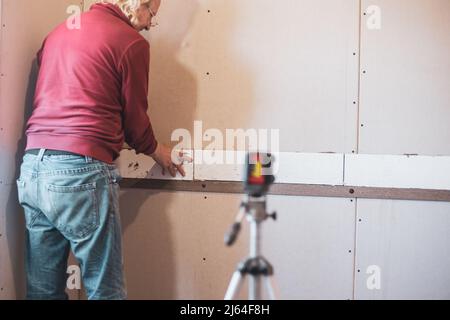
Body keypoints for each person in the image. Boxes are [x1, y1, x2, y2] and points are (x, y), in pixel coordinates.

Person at [16, 0, 182, 300]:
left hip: (33, 169)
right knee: (105, 291)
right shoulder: (132, 43)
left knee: (42, 292)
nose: (148, 25)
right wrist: (159, 151)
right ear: (137, 5)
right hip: (80, 171)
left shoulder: (59, 32)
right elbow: (135, 120)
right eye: (151, 15)